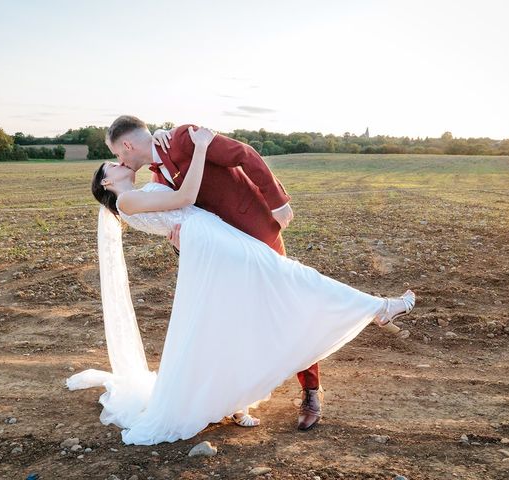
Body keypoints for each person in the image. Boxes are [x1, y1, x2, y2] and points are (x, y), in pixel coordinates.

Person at [65, 124, 416, 446]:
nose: (118, 160)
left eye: (116, 154)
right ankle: (237, 396)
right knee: (241, 316)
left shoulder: (182, 138)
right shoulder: (150, 177)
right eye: (114, 161)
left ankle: (312, 387)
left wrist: (277, 203)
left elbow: (244, 155)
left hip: (251, 228)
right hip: (219, 245)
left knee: (290, 295)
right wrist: (180, 241)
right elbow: (179, 208)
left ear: (127, 144)